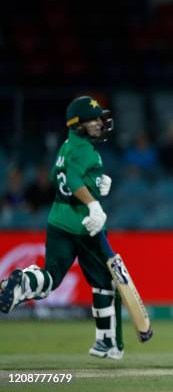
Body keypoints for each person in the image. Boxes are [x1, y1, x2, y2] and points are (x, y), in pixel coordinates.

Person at [0, 96, 125, 360]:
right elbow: (73, 179)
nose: (101, 123)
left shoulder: (68, 146)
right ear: (78, 124)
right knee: (104, 282)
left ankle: (24, 281)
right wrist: (93, 205)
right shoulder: (85, 150)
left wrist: (97, 180)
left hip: (58, 221)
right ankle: (106, 342)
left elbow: (56, 179)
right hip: (84, 225)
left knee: (51, 277)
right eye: (95, 119)